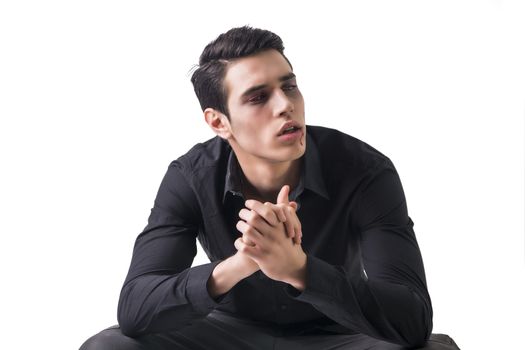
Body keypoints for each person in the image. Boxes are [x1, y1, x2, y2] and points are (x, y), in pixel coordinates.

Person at [80, 26, 459, 350]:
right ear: (218, 122)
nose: (285, 106)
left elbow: (412, 321)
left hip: (339, 335)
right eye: (258, 97)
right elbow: (135, 309)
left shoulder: (365, 170)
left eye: (289, 86)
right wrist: (243, 262)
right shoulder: (191, 176)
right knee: (107, 346)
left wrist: (299, 269)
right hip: (227, 334)